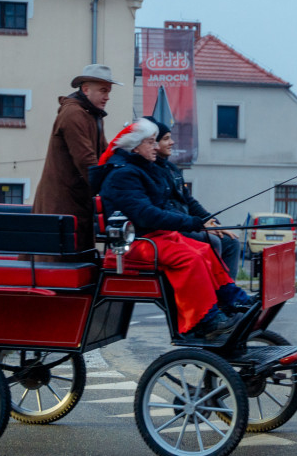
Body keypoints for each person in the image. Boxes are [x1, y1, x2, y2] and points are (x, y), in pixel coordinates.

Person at [97, 118, 255, 338]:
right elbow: (146, 214)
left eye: (155, 141)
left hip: (154, 236)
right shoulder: (124, 174)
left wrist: (200, 221)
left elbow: (171, 205)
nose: (155, 147)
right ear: (135, 146)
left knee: (204, 250)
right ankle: (205, 321)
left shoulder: (144, 169)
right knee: (189, 259)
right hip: (134, 243)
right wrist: (191, 222)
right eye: (151, 142)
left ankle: (232, 299)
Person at [32, 64, 119, 256]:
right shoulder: (74, 114)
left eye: (109, 91)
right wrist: (113, 189)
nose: (107, 97)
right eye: (103, 91)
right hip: (62, 203)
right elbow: (86, 160)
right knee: (61, 259)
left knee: (77, 254)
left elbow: (104, 153)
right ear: (86, 89)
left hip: (75, 201)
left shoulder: (92, 114)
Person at [145, 116, 242, 276]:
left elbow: (189, 202)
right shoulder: (151, 172)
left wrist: (215, 224)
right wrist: (201, 224)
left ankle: (227, 292)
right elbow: (164, 207)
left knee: (231, 242)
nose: (172, 142)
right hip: (174, 227)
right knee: (214, 240)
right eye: (166, 139)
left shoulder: (171, 168)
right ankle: (211, 292)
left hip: (188, 223)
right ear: (154, 143)